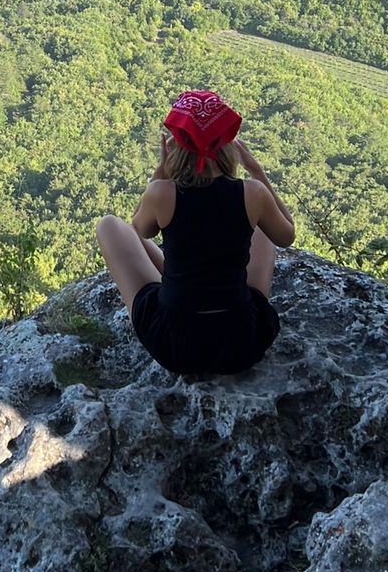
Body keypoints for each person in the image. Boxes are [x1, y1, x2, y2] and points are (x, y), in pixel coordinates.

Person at [96, 89, 295, 374]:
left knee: (108, 225)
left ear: (176, 145)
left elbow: (139, 228)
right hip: (240, 342)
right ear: (228, 145)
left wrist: (161, 173)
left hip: (176, 343)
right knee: (264, 227)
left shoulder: (162, 193)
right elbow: (286, 236)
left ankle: (179, 279)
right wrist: (257, 173)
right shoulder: (252, 194)